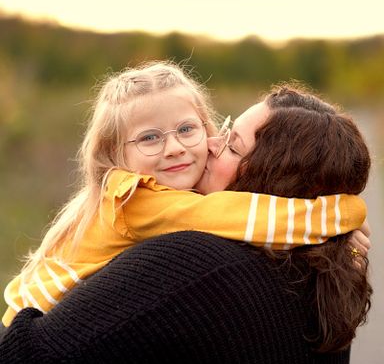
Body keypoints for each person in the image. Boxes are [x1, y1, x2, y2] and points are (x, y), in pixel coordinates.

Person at [0, 83, 371, 364]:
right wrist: (339, 226)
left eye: (231, 144)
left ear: (270, 179)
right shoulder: (322, 289)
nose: (211, 144)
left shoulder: (194, 264)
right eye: (223, 129)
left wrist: (338, 216)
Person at [2, 63, 366, 326]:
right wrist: (337, 215)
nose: (175, 147)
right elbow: (237, 216)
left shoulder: (175, 201)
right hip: (28, 327)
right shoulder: (136, 197)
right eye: (150, 137)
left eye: (187, 129)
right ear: (115, 156)